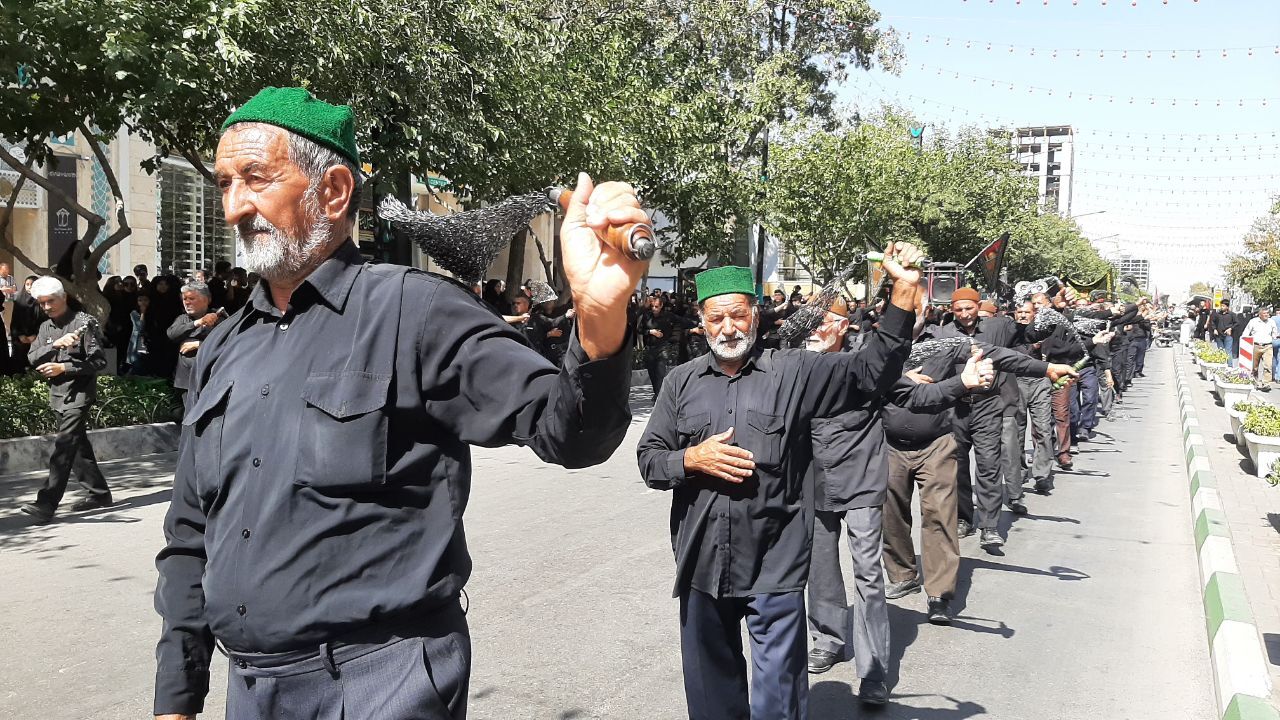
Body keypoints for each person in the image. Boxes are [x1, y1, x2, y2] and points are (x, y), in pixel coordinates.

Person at [152, 87, 649, 720]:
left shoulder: (417, 309)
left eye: (255, 179)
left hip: (380, 685)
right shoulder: (223, 346)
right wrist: (178, 691)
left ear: (332, 191)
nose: (232, 208)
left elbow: (567, 431)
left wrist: (600, 320)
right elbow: (190, 530)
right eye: (224, 184)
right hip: (250, 692)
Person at [637, 247, 924, 716]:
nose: (728, 328)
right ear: (701, 322)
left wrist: (904, 292)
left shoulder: (796, 371)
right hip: (702, 560)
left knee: (778, 699)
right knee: (711, 698)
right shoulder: (680, 383)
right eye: (716, 319)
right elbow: (650, 460)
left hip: (776, 561)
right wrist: (691, 458)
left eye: (737, 315)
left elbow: (871, 371)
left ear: (755, 314)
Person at [800, 294, 894, 703]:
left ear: (845, 326)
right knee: (819, 567)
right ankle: (828, 638)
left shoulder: (863, 364)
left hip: (861, 479)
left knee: (868, 575)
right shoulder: (796, 363)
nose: (818, 329)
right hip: (814, 481)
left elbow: (904, 386)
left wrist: (957, 384)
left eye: (827, 322)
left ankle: (873, 671)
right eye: (813, 322)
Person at [932, 288, 1077, 549]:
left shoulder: (998, 327)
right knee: (958, 468)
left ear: (978, 306)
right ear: (951, 310)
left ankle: (989, 526)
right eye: (958, 310)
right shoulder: (944, 335)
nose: (965, 314)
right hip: (956, 409)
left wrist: (1052, 312)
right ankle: (964, 518)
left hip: (988, 406)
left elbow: (1029, 337)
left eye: (969, 308)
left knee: (989, 467)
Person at [882, 315, 996, 625]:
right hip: (890, 444)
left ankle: (939, 594)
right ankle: (902, 573)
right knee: (890, 513)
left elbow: (999, 355)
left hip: (937, 443)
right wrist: (904, 377)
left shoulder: (943, 343)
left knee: (940, 515)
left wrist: (1046, 368)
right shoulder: (876, 343)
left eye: (918, 309)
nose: (911, 316)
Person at [18, 277, 112, 523]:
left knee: (63, 446)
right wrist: (55, 346)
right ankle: (99, 494)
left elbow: (101, 361)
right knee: (78, 447)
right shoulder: (46, 327)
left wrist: (65, 368)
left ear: (64, 298)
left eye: (51, 301)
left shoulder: (82, 323)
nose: (47, 307)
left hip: (79, 394)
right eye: (42, 303)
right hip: (58, 394)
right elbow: (32, 357)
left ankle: (46, 503)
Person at [1011, 299, 1056, 494]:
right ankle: (1019, 471)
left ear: (1034, 315)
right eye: (1019, 312)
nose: (1022, 315)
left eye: (1026, 312)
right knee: (1016, 430)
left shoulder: (1042, 331)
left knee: (1043, 428)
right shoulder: (1009, 333)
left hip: (1040, 381)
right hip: (1016, 382)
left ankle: (1042, 474)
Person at [166, 281, 226, 404]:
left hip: (211, 378)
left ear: (207, 299)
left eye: (192, 298)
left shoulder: (220, 319)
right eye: (184, 299)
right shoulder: (183, 319)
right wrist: (197, 322)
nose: (187, 302)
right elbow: (172, 334)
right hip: (186, 381)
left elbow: (228, 344)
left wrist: (199, 345)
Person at [635, 294, 681, 397]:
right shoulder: (647, 316)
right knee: (652, 374)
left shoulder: (668, 316)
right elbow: (639, 330)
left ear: (661, 306)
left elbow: (681, 321)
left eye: (656, 307)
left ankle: (659, 397)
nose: (654, 309)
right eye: (652, 307)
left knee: (660, 374)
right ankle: (657, 393)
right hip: (650, 349)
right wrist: (651, 332)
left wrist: (673, 338)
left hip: (663, 349)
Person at [8, 275, 41, 374]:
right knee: (19, 365)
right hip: (20, 339)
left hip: (37, 339)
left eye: (32, 284)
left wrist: (36, 335)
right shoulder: (19, 300)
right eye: (27, 284)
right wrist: (20, 335)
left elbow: (44, 321)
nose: (29, 287)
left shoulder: (42, 301)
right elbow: (15, 321)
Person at [1244, 307, 1275, 384]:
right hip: (1256, 346)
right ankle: (1255, 381)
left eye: (1267, 313)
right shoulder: (1253, 322)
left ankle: (1266, 383)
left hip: (1268, 346)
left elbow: (1274, 333)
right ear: (1260, 315)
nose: (1266, 315)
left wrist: (1274, 338)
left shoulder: (1271, 322)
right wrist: (1244, 342)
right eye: (1264, 313)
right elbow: (1246, 332)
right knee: (1254, 367)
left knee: (1268, 366)